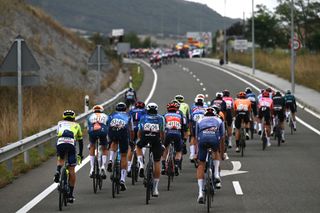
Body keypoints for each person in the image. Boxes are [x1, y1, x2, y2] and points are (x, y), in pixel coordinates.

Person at [196, 107, 225, 204]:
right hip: (214, 139)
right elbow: (222, 138)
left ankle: (200, 193)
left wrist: (197, 153)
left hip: (203, 140)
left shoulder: (200, 120)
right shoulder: (219, 120)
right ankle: (216, 173)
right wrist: (222, 152)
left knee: (201, 164)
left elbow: (197, 137)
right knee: (216, 152)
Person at [54, 110, 83, 203]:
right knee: (72, 170)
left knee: (61, 158)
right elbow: (80, 141)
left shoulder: (59, 123)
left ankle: (58, 170)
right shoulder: (77, 125)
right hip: (70, 143)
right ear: (74, 118)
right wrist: (80, 154)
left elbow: (58, 134)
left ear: (63, 117)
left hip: (60, 142)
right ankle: (70, 195)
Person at [136, 103, 165, 197]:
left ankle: (141, 164)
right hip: (156, 138)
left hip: (145, 137)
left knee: (138, 147)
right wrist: (162, 143)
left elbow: (139, 131)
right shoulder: (161, 118)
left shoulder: (143, 117)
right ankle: (155, 188)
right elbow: (162, 132)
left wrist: (140, 140)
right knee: (157, 161)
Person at [107, 102, 131, 191]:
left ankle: (110, 160)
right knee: (124, 155)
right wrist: (131, 140)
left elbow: (107, 126)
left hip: (112, 131)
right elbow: (131, 129)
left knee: (114, 142)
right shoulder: (128, 116)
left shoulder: (112, 115)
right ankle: (122, 180)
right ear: (125, 109)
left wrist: (108, 139)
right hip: (123, 132)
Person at [162, 101, 185, 176]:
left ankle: (163, 166)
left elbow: (162, 127)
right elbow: (184, 126)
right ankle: (176, 164)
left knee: (165, 148)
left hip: (168, 134)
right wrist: (183, 138)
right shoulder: (180, 116)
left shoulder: (164, 115)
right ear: (176, 110)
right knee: (179, 151)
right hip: (177, 134)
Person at [87, 105, 108, 179]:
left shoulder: (90, 116)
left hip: (93, 132)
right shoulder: (105, 116)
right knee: (104, 148)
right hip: (102, 132)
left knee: (92, 146)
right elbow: (108, 127)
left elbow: (88, 128)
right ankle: (103, 166)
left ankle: (92, 168)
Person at [127, 101, 146, 177]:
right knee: (141, 144)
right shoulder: (145, 111)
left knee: (131, 147)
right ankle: (141, 160)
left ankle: (128, 168)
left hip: (132, 128)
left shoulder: (131, 111)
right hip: (140, 128)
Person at [189, 94, 206, 163]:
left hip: (194, 124)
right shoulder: (206, 107)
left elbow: (190, 118)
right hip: (203, 124)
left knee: (193, 137)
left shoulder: (193, 107)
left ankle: (192, 154)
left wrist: (189, 128)